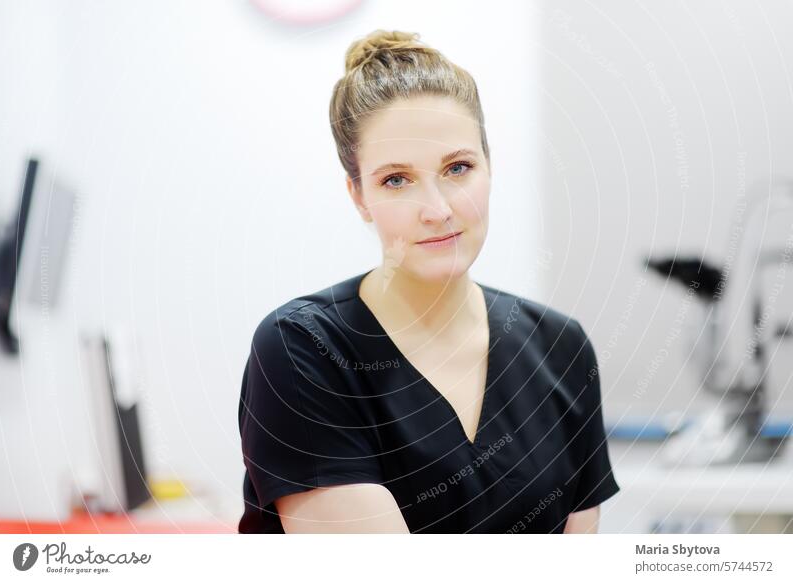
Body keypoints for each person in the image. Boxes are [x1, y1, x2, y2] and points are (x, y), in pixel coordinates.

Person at [238, 29, 619, 533]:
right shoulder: (304, 349)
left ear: (490, 167)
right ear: (358, 195)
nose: (437, 210)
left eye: (458, 167)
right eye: (396, 180)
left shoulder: (561, 349)